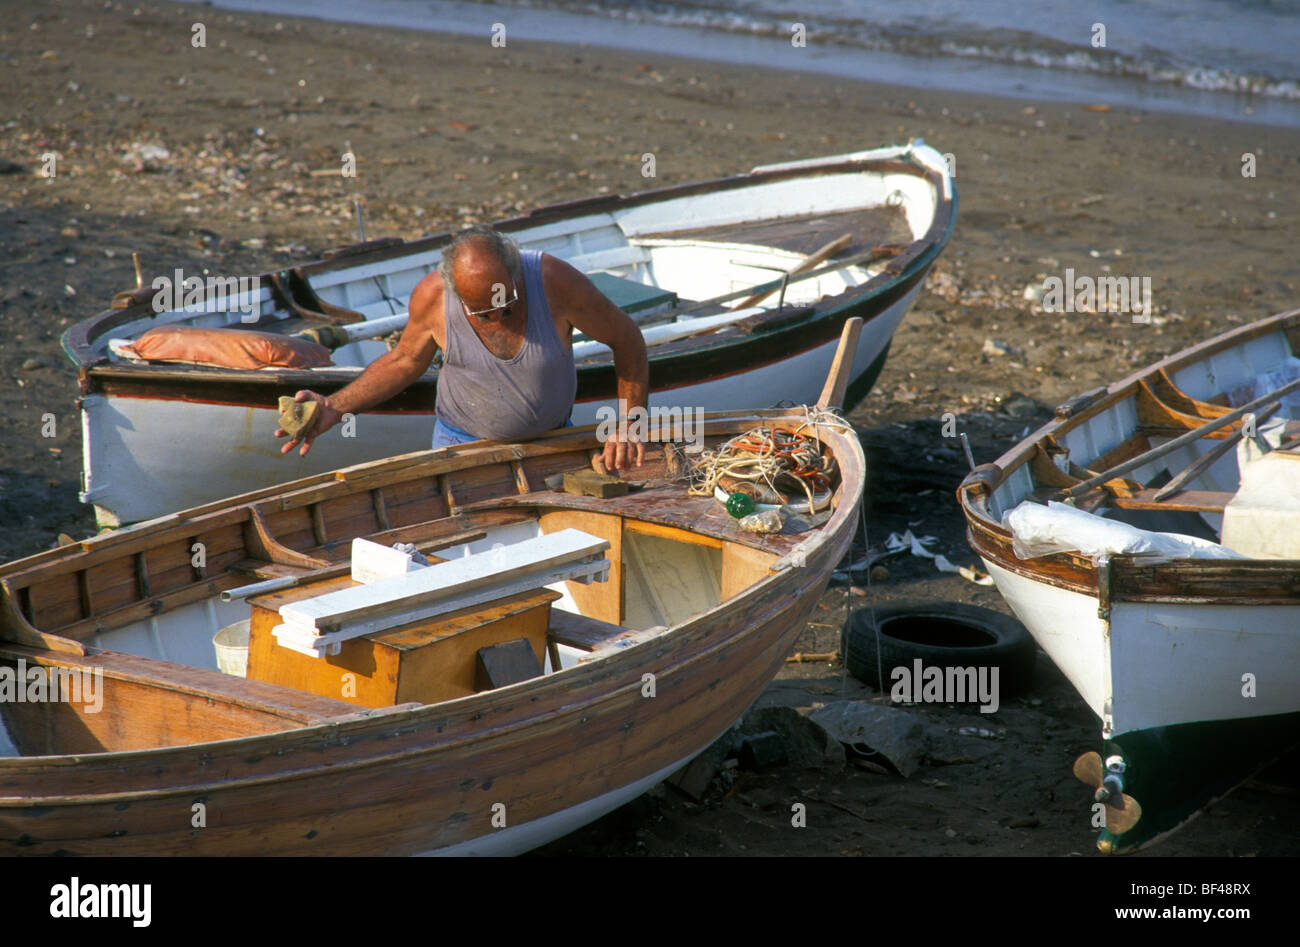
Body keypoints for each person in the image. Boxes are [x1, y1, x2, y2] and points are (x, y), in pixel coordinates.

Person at [276, 225, 649, 469]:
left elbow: (626, 339)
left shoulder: (556, 281)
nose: (498, 319)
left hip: (553, 442)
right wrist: (335, 407)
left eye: (507, 305)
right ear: (454, 290)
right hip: (460, 445)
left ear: (516, 270)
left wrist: (630, 422)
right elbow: (405, 360)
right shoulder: (433, 297)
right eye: (483, 314)